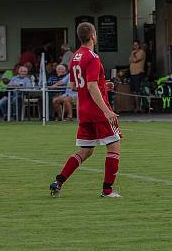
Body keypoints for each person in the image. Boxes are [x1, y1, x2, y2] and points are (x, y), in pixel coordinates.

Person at [50, 22, 121, 198]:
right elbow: (90, 85)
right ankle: (107, 190)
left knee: (85, 151)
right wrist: (107, 111)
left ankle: (58, 182)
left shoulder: (75, 57)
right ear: (93, 35)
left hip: (84, 110)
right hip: (97, 110)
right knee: (114, 148)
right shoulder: (93, 57)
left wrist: (103, 84)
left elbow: (74, 85)